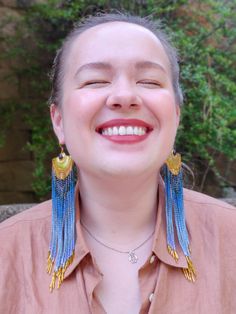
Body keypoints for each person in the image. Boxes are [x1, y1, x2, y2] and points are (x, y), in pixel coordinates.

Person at [0, 12, 236, 314]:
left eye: (149, 81)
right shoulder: (7, 255)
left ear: (176, 117)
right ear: (58, 121)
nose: (124, 96)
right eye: (95, 80)